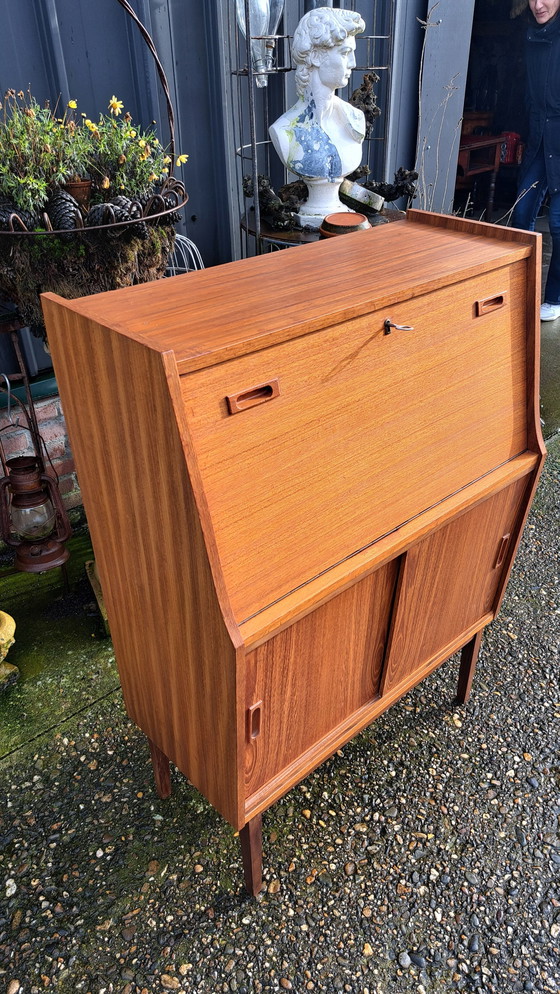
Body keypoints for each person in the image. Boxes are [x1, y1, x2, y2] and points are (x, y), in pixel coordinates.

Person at [269, 7, 366, 226]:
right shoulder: (284, 130)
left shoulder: (355, 119)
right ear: (315, 56)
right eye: (344, 53)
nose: (353, 63)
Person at [512, 0, 560, 320]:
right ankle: (518, 293)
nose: (537, 4)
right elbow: (528, 96)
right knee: (521, 216)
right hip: (539, 141)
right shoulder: (530, 36)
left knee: (559, 224)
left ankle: (554, 299)